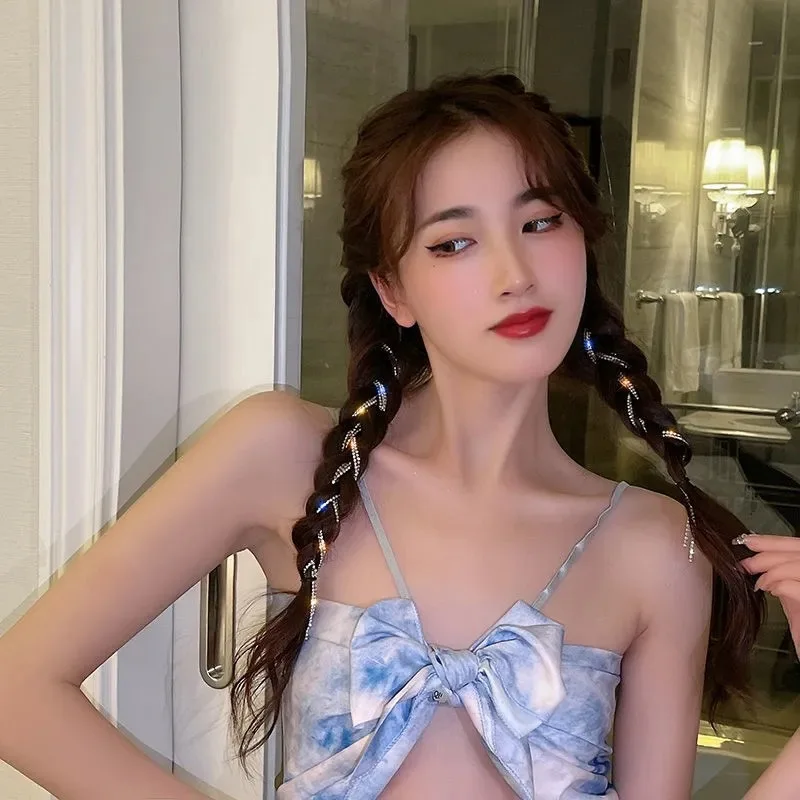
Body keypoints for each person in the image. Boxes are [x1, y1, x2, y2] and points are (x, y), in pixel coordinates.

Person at [0, 72, 797, 800]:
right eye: (453, 242)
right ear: (393, 288)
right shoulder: (282, 455)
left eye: (539, 221)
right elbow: (18, 691)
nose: (515, 273)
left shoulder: (655, 546)